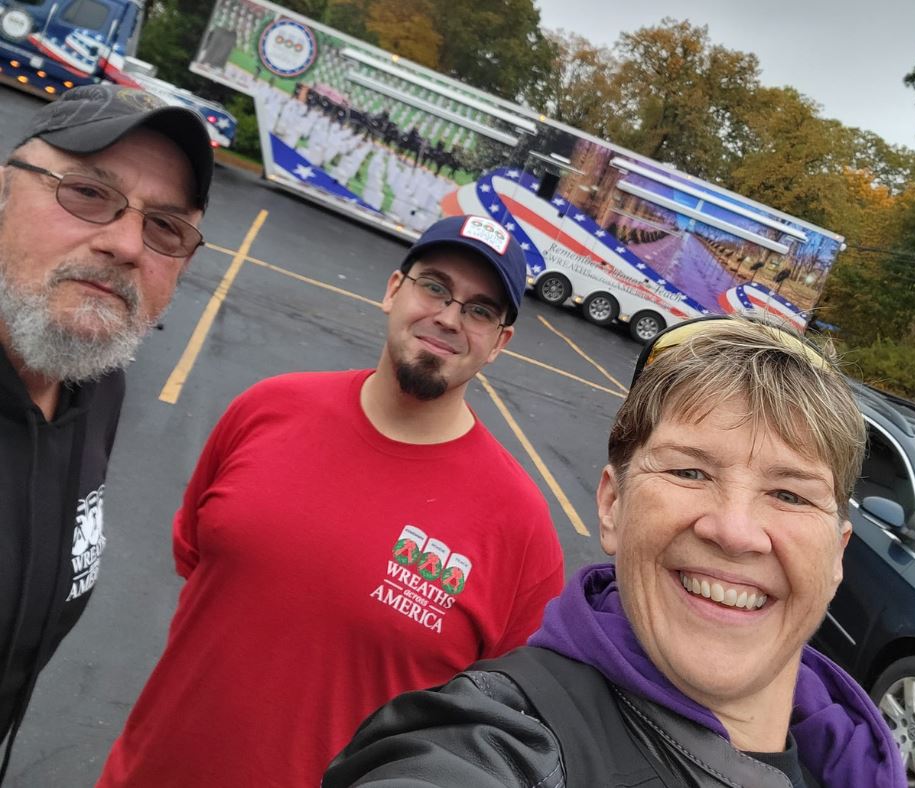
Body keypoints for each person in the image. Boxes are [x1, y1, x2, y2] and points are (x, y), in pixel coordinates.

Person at [324, 315, 907, 788]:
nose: (734, 530)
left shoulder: (854, 764)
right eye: (690, 471)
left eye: (788, 493)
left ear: (837, 555)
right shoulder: (508, 742)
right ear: (612, 506)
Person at [98, 214, 565, 786]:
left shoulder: (520, 527)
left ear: (499, 342)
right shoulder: (267, 410)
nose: (448, 317)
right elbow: (196, 559)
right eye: (435, 286)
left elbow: (495, 724)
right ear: (395, 289)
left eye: (480, 310)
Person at [0, 84, 213, 780]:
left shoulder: (95, 384)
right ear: (5, 192)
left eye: (165, 230)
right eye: (88, 193)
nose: (126, 244)